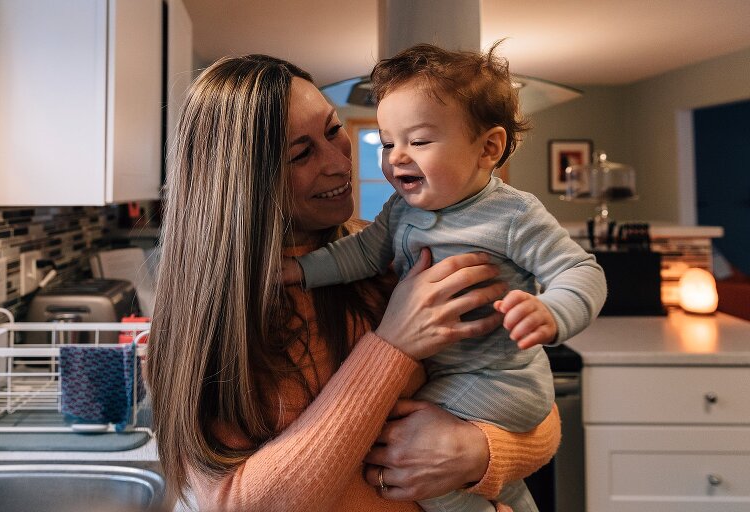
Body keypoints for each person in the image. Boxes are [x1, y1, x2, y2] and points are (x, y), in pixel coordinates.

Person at [146, 54, 561, 512]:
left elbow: (534, 404)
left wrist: (475, 452)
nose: (338, 162)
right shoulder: (209, 320)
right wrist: (392, 346)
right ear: (242, 184)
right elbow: (237, 504)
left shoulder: (392, 252)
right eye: (301, 154)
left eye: (332, 130)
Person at [286, 43, 607, 512]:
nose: (397, 157)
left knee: (404, 452)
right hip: (455, 375)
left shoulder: (512, 214)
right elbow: (362, 253)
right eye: (387, 142)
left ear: (488, 148)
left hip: (500, 379)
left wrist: (552, 311)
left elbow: (580, 270)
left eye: (418, 142)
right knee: (453, 467)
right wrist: (301, 270)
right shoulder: (400, 211)